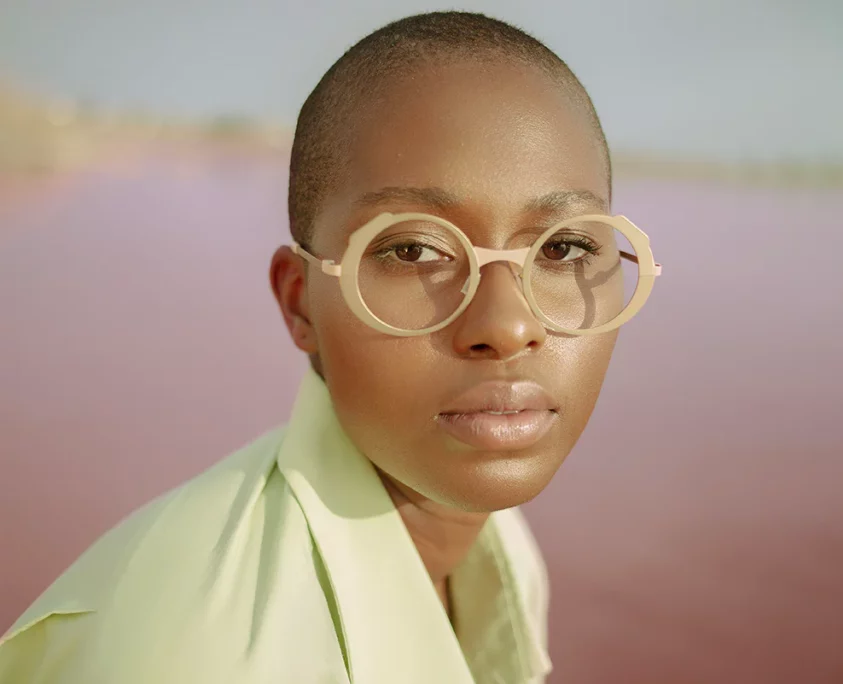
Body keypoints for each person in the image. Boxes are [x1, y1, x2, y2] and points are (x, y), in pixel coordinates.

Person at [0, 11, 660, 684]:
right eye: (414, 250)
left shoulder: (499, 544)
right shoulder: (197, 656)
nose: (507, 325)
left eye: (563, 247)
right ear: (299, 300)